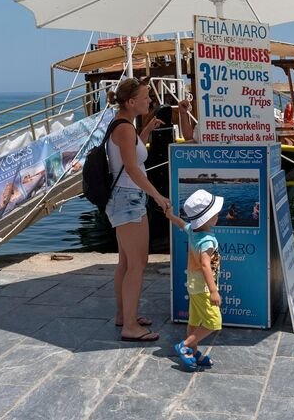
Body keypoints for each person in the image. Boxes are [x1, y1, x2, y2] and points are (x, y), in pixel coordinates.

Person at [106, 78, 172, 342]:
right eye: (145, 97)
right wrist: (156, 195)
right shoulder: (123, 129)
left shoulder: (125, 127)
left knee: (126, 262)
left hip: (124, 198)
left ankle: (124, 315)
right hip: (129, 199)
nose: (149, 101)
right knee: (137, 264)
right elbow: (132, 170)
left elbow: (130, 156)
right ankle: (130, 327)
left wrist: (145, 131)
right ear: (131, 102)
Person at [163, 189, 224, 371]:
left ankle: (194, 353)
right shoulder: (207, 241)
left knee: (195, 321)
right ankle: (185, 346)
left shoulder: (193, 231)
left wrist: (170, 215)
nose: (218, 215)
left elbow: (182, 224)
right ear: (206, 219)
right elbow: (206, 265)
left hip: (193, 285)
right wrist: (213, 290)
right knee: (213, 322)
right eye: (215, 213)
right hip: (204, 288)